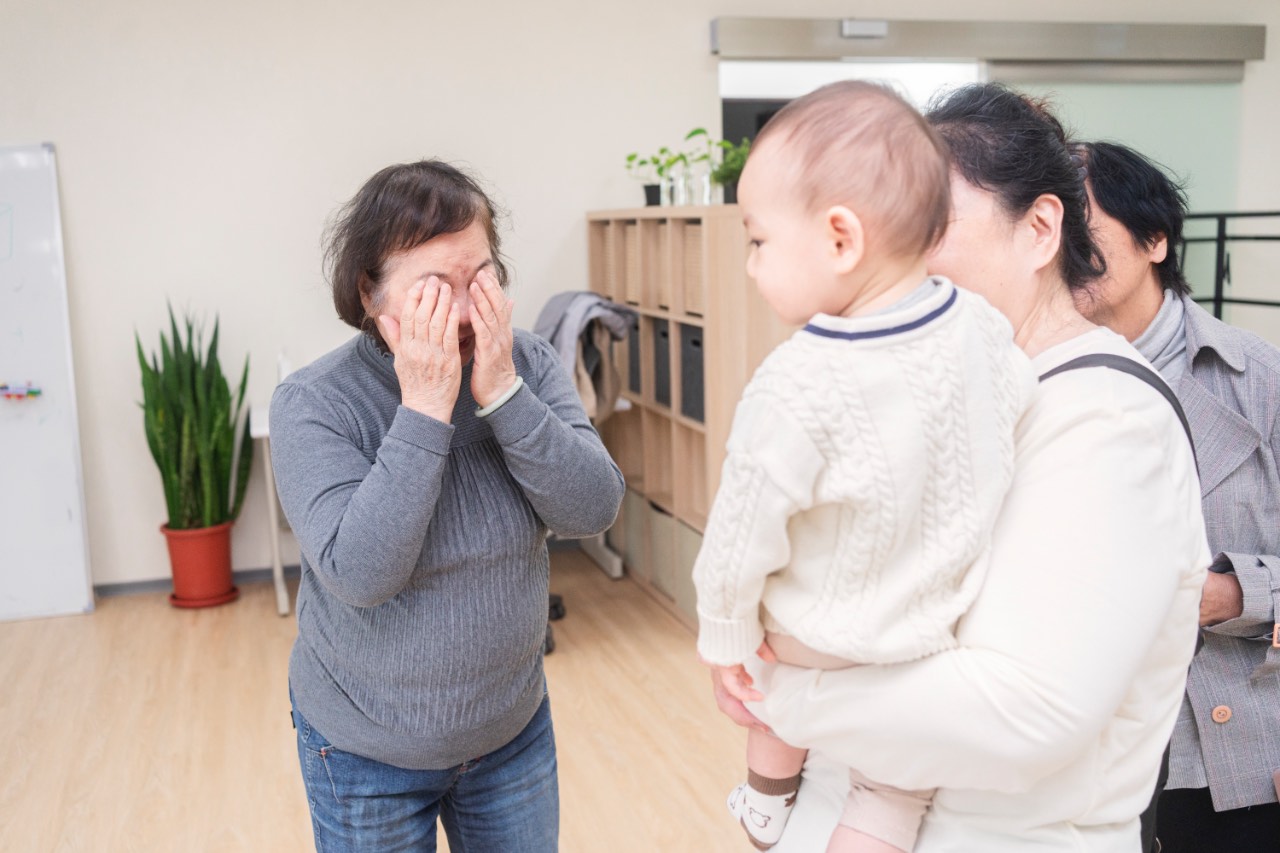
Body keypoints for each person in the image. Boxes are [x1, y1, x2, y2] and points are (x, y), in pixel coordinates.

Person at [707, 83, 1211, 853]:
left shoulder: (1110, 422)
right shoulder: (944, 391)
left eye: (928, 223)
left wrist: (778, 685)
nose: (891, 247)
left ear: (1041, 229)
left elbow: (1022, 714)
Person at [692, 80, 1036, 853]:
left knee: (767, 687)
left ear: (841, 239)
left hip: (818, 636)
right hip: (930, 633)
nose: (751, 264)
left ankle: (765, 806)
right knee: (891, 790)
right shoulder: (982, 326)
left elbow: (742, 530)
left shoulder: (797, 378)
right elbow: (1016, 407)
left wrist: (726, 637)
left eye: (758, 241)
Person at [269, 159, 624, 851]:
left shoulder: (527, 364)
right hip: (364, 750)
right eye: (435, 289)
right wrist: (427, 407)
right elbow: (363, 572)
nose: (466, 311)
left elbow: (594, 507)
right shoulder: (315, 403)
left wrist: (503, 396)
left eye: (482, 278)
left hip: (510, 731)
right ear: (370, 292)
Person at [1075, 140, 1280, 853]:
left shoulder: (1257, 378)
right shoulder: (1026, 384)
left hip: (1228, 758)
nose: (1062, 253)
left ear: (1155, 238)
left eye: (1084, 233)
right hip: (1076, 754)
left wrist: (1236, 595)